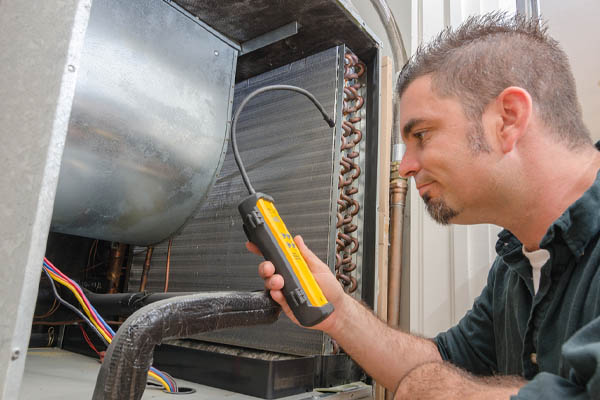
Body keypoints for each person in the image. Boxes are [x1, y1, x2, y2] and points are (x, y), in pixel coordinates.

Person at [249, 12, 600, 399]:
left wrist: (443, 391)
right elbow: (444, 360)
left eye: (422, 134)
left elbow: (437, 380)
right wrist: (338, 312)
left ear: (508, 118)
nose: (405, 167)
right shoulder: (514, 266)